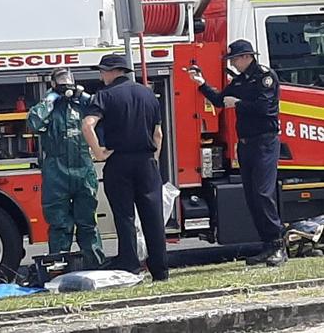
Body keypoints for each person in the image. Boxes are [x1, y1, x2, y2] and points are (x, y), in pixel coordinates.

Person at [186, 39, 286, 267]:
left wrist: (238, 104)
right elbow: (221, 100)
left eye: (235, 59)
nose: (233, 63)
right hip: (246, 144)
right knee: (251, 196)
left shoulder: (264, 77)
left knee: (263, 193)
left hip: (264, 142)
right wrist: (201, 83)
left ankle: (278, 244)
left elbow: (266, 108)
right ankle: (267, 245)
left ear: (247, 57)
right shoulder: (239, 81)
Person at [82, 54, 168, 281]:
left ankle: (130, 264)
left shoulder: (104, 96)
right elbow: (158, 134)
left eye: (102, 71)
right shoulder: (148, 94)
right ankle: (160, 269)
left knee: (125, 215)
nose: (101, 76)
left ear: (112, 72)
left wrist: (99, 152)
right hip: (147, 162)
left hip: (119, 161)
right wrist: (153, 159)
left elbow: (87, 125)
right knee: (153, 216)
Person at [27, 67, 106, 269]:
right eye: (60, 79)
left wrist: (85, 96)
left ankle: (95, 267)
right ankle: (59, 269)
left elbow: (103, 109)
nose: (65, 82)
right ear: (53, 83)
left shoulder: (82, 106)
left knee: (87, 222)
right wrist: (50, 98)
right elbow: (34, 123)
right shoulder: (51, 108)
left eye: (68, 78)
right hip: (57, 172)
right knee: (60, 225)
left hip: (83, 170)